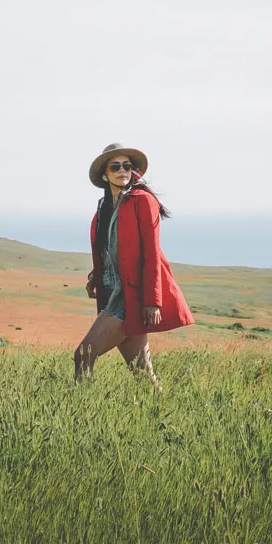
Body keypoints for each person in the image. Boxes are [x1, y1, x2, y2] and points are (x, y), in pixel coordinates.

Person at [75, 142, 193, 384]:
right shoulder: (103, 209)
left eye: (127, 166)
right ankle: (159, 416)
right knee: (142, 374)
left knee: (83, 355)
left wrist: (152, 301)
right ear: (105, 174)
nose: (122, 171)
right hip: (114, 292)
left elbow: (151, 252)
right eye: (115, 166)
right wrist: (96, 277)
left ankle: (81, 411)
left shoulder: (142, 201)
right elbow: (110, 252)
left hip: (132, 298)